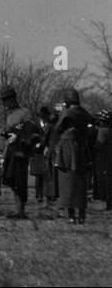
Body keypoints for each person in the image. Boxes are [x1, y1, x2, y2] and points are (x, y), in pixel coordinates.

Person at [52, 89, 95, 224]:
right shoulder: (84, 112)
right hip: (81, 149)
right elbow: (92, 123)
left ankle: (70, 215)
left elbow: (58, 128)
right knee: (81, 183)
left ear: (67, 101)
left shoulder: (67, 113)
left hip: (67, 150)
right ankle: (81, 214)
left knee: (67, 182)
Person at [0, 86, 39, 219]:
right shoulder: (9, 116)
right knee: (12, 180)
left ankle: (21, 211)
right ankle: (18, 210)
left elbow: (32, 130)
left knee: (20, 182)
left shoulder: (25, 112)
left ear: (12, 99)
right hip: (10, 152)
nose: (3, 103)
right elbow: (8, 137)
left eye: (5, 100)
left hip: (21, 152)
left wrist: (19, 136)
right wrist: (3, 156)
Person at [31, 107, 54, 205]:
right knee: (39, 176)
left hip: (47, 150)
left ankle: (49, 195)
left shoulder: (50, 125)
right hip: (38, 151)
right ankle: (39, 195)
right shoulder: (36, 126)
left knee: (48, 174)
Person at [93, 109, 112, 211]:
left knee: (106, 180)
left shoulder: (103, 131)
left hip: (104, 158)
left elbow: (99, 145)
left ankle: (108, 203)